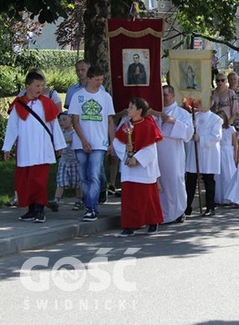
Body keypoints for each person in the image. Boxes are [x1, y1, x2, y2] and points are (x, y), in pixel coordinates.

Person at [3, 71, 66, 223]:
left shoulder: (46, 103)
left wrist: (59, 145)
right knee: (26, 180)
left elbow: (54, 126)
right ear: (27, 86)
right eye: (37, 85)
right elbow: (12, 127)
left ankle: (39, 209)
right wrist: (7, 147)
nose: (40, 89)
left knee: (39, 180)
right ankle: (31, 209)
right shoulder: (18, 105)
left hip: (42, 149)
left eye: (42, 86)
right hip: (26, 149)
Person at [68, 65, 116, 222]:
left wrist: (112, 142)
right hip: (81, 143)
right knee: (84, 177)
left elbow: (110, 120)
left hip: (99, 142)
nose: (99, 83)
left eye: (101, 80)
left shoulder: (105, 97)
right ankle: (89, 204)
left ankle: (91, 207)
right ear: (88, 79)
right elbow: (75, 121)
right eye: (96, 80)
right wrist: (83, 140)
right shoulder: (78, 96)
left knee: (94, 174)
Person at [112, 97, 163, 237]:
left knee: (147, 197)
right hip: (129, 167)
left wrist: (137, 158)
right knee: (129, 197)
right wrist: (127, 157)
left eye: (131, 108)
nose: (128, 110)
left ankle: (153, 222)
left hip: (143, 168)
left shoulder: (148, 125)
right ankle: (129, 225)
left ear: (140, 110)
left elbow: (151, 149)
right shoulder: (126, 125)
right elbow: (117, 142)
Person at [154, 85, 193, 224]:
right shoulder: (156, 112)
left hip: (174, 151)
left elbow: (189, 133)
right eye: (161, 95)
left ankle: (179, 210)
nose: (163, 98)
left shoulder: (182, 113)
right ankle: (162, 212)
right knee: (161, 182)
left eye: (165, 95)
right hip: (158, 150)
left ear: (172, 95)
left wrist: (174, 121)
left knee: (176, 180)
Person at [185, 98, 223, 217]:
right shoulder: (193, 116)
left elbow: (216, 136)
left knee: (208, 180)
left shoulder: (216, 119)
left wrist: (201, 139)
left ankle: (210, 206)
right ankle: (187, 207)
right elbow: (187, 131)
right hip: (194, 152)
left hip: (208, 153)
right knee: (191, 180)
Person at [48, 112, 83, 212]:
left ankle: (79, 200)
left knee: (77, 182)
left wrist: (59, 142)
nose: (61, 122)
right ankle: (56, 201)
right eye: (60, 120)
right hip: (64, 161)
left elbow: (70, 140)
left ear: (72, 121)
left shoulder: (74, 133)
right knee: (61, 181)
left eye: (64, 119)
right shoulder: (60, 133)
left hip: (75, 162)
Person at [214, 113, 238, 205]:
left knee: (228, 174)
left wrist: (235, 157)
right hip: (219, 152)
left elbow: (235, 144)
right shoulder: (216, 129)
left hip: (228, 153)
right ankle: (220, 197)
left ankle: (230, 196)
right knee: (219, 176)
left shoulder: (230, 129)